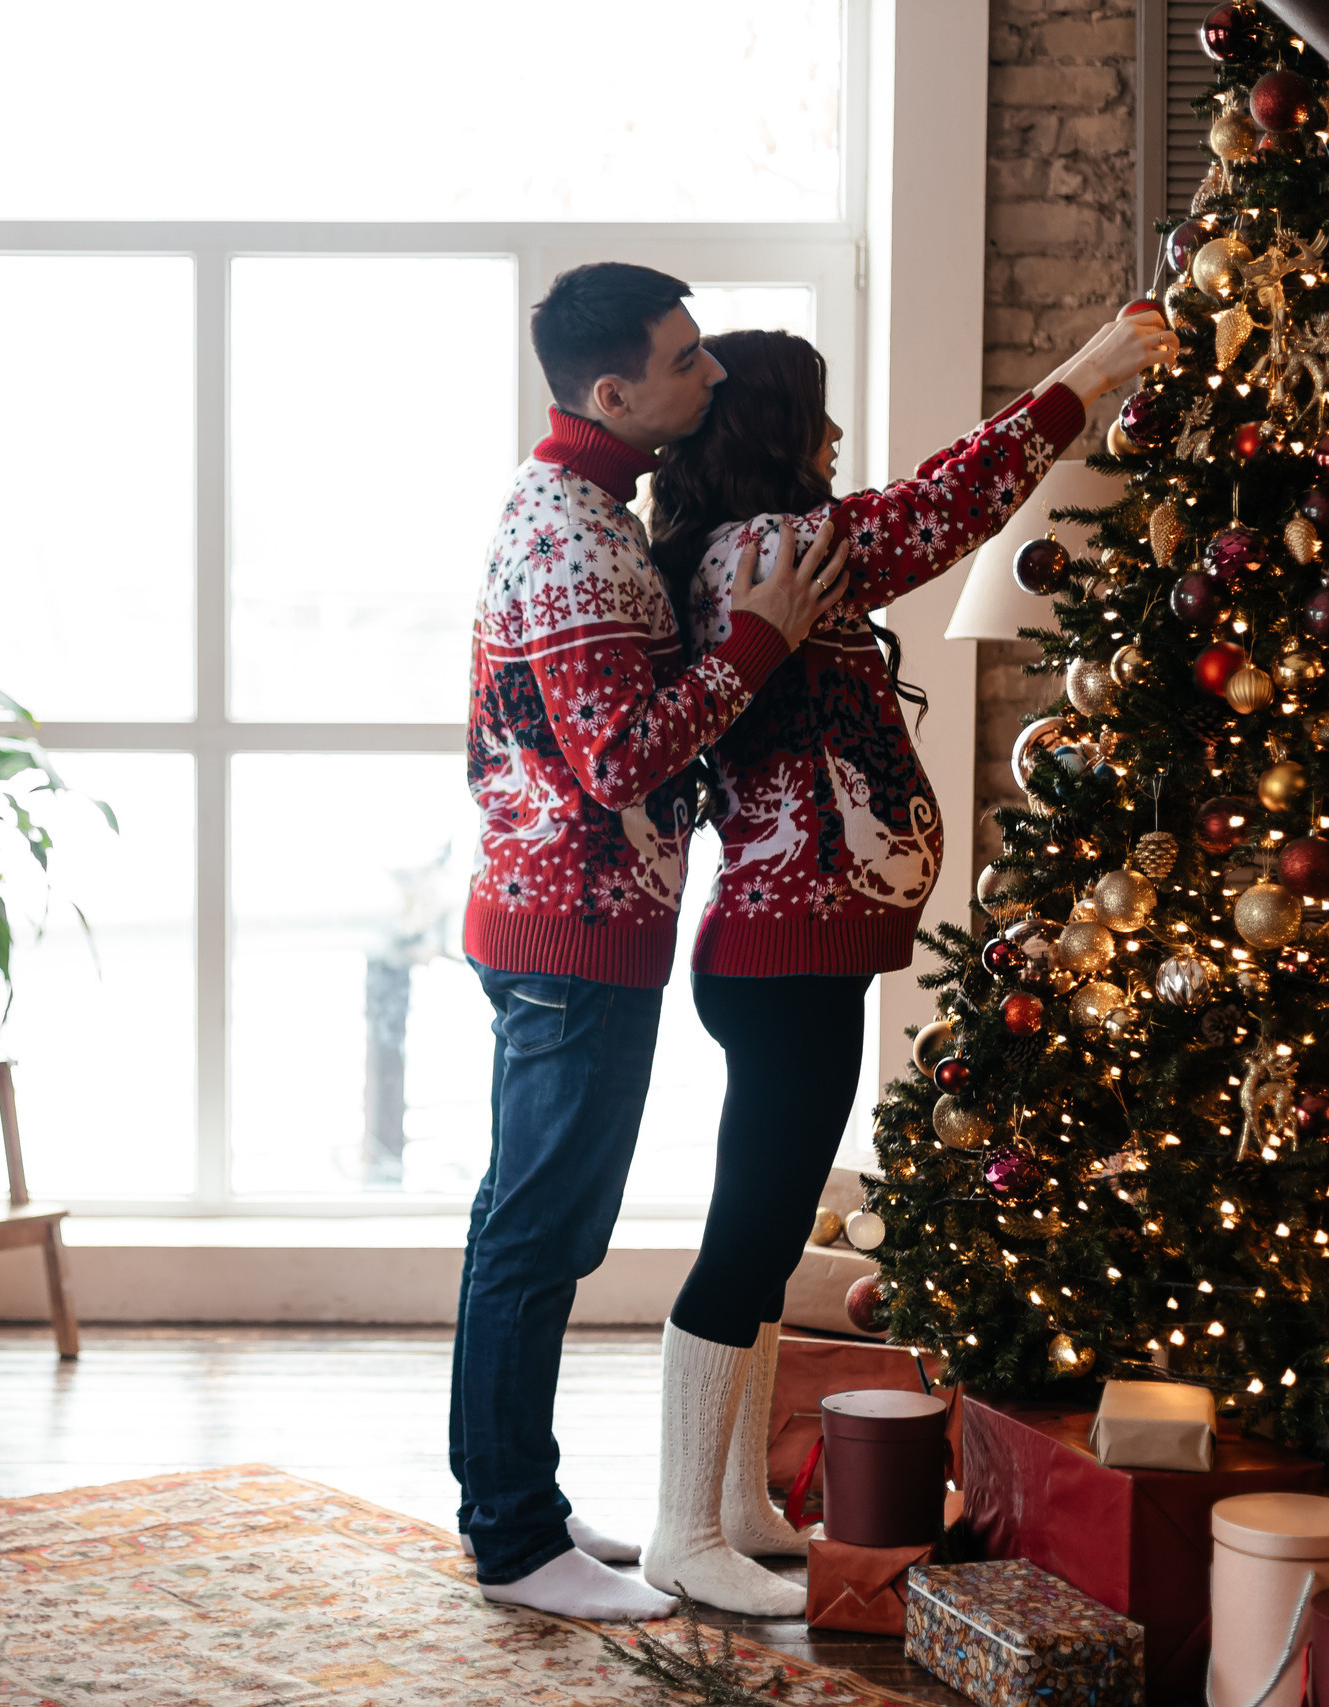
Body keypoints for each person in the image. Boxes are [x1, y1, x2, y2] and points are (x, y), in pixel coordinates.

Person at [635, 309, 1174, 1613]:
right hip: (779, 956)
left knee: (764, 1232)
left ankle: (732, 1506)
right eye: (813, 411)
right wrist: (1091, 377)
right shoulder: (774, 545)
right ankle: (679, 1534)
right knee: (749, 1230)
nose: (830, 435)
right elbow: (949, 502)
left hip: (788, 950)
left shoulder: (751, 552)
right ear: (772, 427)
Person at [454, 262, 851, 1622]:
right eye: (689, 360)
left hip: (581, 929)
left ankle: (524, 1498)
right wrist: (753, 639)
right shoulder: (571, 532)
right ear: (615, 393)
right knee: (539, 1236)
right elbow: (621, 758)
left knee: (532, 1227)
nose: (716, 375)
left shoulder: (587, 510)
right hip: (569, 937)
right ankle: (513, 1543)